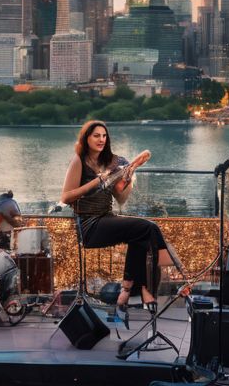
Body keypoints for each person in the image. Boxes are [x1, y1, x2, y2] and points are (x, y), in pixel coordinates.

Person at [59, 120, 177, 327]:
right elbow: (66, 197)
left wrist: (128, 178)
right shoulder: (79, 160)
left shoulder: (110, 163)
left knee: (142, 234)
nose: (101, 139)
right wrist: (99, 180)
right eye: (96, 135)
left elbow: (121, 199)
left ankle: (127, 292)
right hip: (89, 225)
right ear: (86, 138)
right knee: (148, 228)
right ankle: (146, 287)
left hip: (107, 217)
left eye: (104, 136)